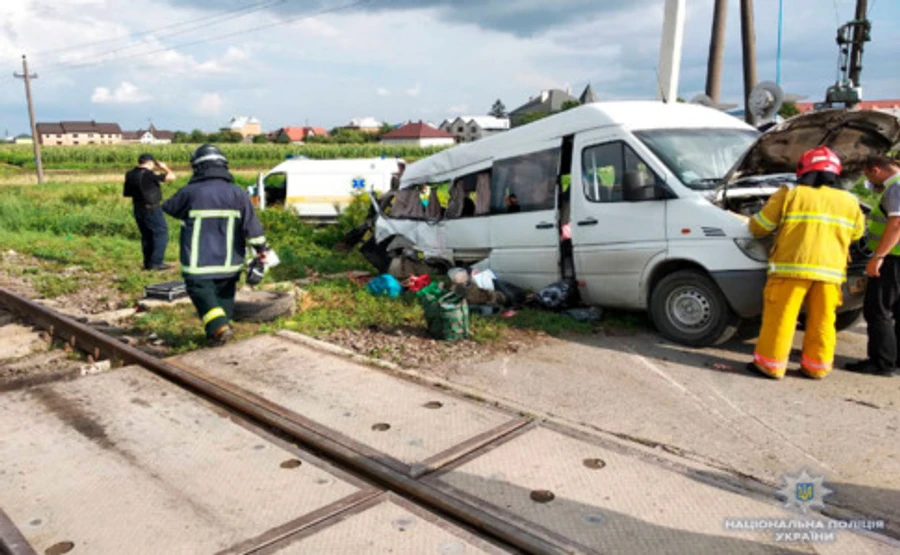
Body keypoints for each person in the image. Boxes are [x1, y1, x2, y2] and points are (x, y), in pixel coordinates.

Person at [746, 146, 865, 380]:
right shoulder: (850, 201)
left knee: (782, 318)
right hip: (830, 272)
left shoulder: (790, 194)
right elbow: (857, 234)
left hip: (791, 268)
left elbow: (759, 227)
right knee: (823, 320)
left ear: (804, 169)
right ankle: (816, 367)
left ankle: (770, 366)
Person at [162, 145, 269, 346]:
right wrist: (262, 250)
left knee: (203, 295)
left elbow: (169, 207)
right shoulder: (237, 193)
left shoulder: (190, 192)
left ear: (197, 168)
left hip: (198, 262)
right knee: (224, 297)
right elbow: (252, 227)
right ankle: (217, 338)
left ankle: (219, 326)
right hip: (230, 262)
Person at [845, 155, 900, 377]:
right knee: (897, 310)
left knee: (878, 310)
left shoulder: (895, 187)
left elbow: (896, 223)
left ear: (875, 169)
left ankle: (882, 363)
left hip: (893, 258)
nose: (869, 180)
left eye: (868, 175)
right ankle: (895, 359)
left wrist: (878, 257)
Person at [123, 153, 175, 270]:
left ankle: (148, 263)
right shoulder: (149, 174)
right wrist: (165, 167)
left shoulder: (130, 174)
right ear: (150, 163)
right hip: (151, 208)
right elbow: (171, 177)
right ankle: (156, 262)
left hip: (137, 207)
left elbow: (127, 192)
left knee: (146, 235)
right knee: (161, 233)